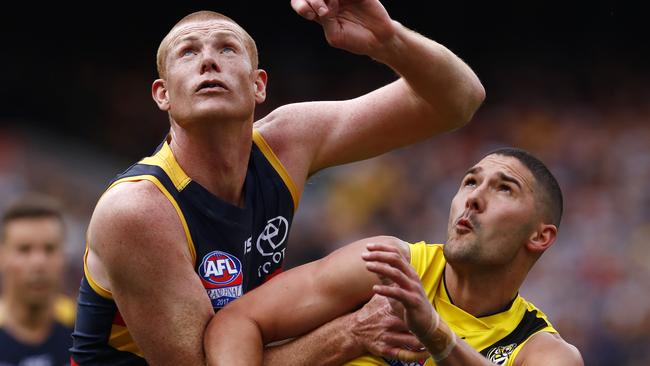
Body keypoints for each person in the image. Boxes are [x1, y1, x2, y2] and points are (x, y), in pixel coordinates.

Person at [70, 0, 485, 364]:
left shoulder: (289, 142)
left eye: (227, 49)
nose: (208, 61)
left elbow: (459, 101)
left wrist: (386, 39)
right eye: (188, 52)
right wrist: (349, 333)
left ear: (259, 85)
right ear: (162, 94)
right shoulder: (139, 211)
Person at [205, 148, 584, 366]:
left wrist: (435, 333)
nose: (473, 197)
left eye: (504, 189)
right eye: (470, 181)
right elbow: (235, 322)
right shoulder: (385, 265)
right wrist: (347, 334)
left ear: (540, 236)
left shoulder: (541, 350)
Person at [0, 194, 75, 366]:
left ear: (64, 256)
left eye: (50, 249)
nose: (39, 263)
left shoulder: (87, 330)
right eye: (24, 250)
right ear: (2, 256)